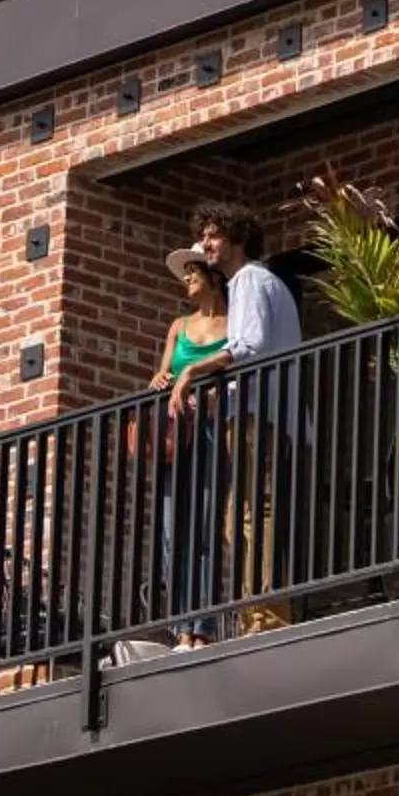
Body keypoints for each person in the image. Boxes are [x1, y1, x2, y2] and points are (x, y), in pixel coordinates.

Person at [192, 204, 302, 632]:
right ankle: (253, 612)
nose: (205, 244)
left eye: (213, 235)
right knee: (238, 517)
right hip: (255, 412)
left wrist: (193, 371)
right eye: (204, 236)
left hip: (260, 416)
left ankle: (268, 614)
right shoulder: (250, 283)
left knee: (256, 512)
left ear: (237, 237)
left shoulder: (251, 279)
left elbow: (249, 346)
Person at [148, 254, 232, 646]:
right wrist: (160, 379)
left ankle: (203, 628)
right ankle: (181, 628)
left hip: (213, 430)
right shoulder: (178, 327)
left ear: (212, 277)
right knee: (171, 532)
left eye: (192, 273)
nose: (187, 280)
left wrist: (199, 380)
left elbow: (239, 358)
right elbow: (161, 375)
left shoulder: (232, 323)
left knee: (203, 528)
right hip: (176, 435)